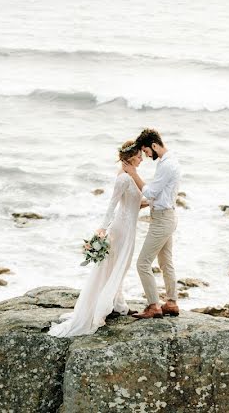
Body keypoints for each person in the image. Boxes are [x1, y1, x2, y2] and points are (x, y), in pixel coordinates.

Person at [48, 140, 146, 337]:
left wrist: (152, 202)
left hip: (129, 228)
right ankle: (104, 306)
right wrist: (102, 229)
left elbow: (135, 203)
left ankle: (117, 303)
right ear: (130, 157)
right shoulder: (124, 179)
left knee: (121, 266)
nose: (142, 158)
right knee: (116, 266)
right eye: (139, 156)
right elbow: (113, 205)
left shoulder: (131, 176)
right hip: (122, 229)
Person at [122, 128, 182, 319]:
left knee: (142, 264)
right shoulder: (169, 161)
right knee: (166, 262)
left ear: (154, 145)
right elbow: (162, 195)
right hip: (167, 215)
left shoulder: (166, 165)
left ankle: (153, 306)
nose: (147, 156)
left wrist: (132, 173)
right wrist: (146, 204)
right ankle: (171, 302)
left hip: (163, 220)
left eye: (147, 151)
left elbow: (151, 192)